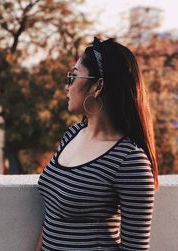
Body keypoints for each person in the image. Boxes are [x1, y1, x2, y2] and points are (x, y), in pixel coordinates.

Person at [36, 37, 159, 251]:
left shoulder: (130, 161)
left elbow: (136, 248)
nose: (68, 86)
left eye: (73, 77)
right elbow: (51, 220)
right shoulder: (72, 134)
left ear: (98, 85)